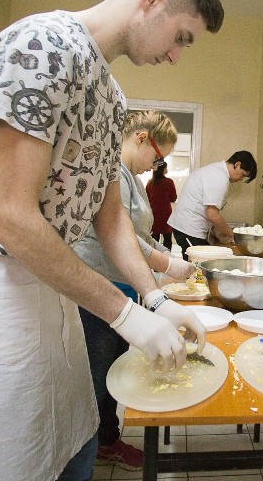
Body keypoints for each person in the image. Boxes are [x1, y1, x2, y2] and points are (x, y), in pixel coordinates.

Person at [0, 0, 223, 481]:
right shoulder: (41, 47)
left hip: (55, 292)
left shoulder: (109, 97)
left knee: (71, 451)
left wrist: (152, 297)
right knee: (4, 463)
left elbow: (110, 223)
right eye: (181, 37)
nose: (177, 55)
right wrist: (126, 316)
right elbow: (12, 217)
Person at [74, 110, 196, 470]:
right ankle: (96, 446)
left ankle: (106, 439)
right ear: (141, 137)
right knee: (97, 376)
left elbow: (138, 236)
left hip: (123, 287)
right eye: (158, 157)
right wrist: (167, 265)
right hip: (99, 289)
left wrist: (158, 275)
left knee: (113, 367)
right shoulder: (112, 172)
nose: (157, 165)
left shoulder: (133, 179)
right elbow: (115, 234)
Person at [168, 150, 257, 259]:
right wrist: (235, 236)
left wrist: (220, 233)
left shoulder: (217, 172)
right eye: (243, 175)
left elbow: (211, 213)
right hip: (188, 229)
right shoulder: (219, 177)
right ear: (237, 164)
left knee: (201, 267)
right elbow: (212, 215)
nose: (241, 179)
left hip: (187, 228)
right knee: (199, 268)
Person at [146, 162, 177, 249]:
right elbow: (173, 198)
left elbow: (146, 198)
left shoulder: (150, 183)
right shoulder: (169, 182)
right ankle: (167, 258)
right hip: (166, 213)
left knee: (154, 239)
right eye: (166, 168)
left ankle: (155, 259)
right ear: (163, 169)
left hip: (153, 213)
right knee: (167, 239)